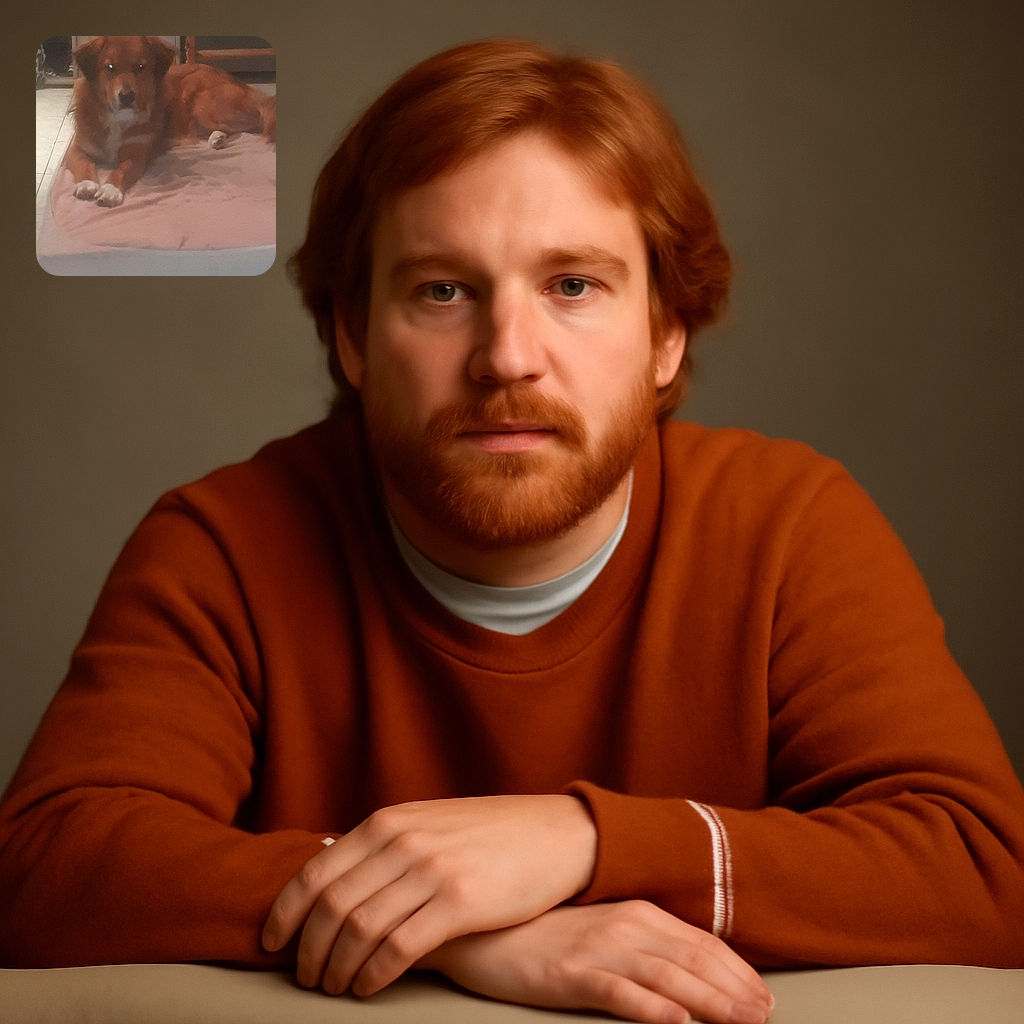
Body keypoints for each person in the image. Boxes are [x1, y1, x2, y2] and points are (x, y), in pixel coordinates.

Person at [2, 38, 1023, 1024]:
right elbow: (49, 867)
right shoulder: (222, 543)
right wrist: (451, 929)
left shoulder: (787, 524)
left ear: (666, 333)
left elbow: (983, 873)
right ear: (353, 335)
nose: (507, 356)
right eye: (443, 290)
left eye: (571, 285)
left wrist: (578, 842)